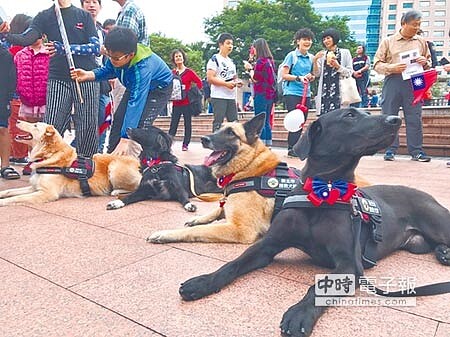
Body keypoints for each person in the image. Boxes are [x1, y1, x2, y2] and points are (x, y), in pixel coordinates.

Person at [0, 0, 101, 158]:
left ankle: (86, 165)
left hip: (85, 76)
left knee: (87, 124)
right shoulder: (44, 16)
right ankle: (47, 164)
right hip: (57, 77)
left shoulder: (84, 16)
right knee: (51, 124)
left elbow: (95, 48)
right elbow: (27, 38)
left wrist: (66, 49)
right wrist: (6, 34)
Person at [71, 27, 173, 156]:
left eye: (116, 58)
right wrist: (90, 74)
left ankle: (143, 164)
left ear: (130, 55)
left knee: (139, 128)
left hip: (158, 90)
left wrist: (125, 139)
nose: (112, 61)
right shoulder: (117, 56)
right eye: (109, 56)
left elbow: (136, 103)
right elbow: (109, 70)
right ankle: (112, 157)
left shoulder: (142, 68)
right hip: (134, 87)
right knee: (118, 119)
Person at [373, 10, 432, 162]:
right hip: (393, 80)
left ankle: (417, 151)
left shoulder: (421, 42)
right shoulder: (388, 41)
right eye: (413, 25)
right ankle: (390, 150)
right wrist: (392, 68)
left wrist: (425, 62)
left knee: (414, 117)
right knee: (389, 116)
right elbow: (377, 64)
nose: (416, 28)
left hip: (415, 81)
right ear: (403, 24)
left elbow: (429, 62)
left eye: (419, 25)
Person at [80, 0, 111, 153]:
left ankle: (98, 152)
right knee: (86, 119)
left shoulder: (103, 32)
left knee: (104, 115)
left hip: (102, 80)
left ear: (100, 7)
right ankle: (80, 150)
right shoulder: (76, 28)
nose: (91, 5)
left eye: (94, 2)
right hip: (83, 78)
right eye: (87, 2)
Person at [279, 28, 315, 157]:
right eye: (304, 39)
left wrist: (310, 76)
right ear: (298, 41)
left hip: (306, 93)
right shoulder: (291, 56)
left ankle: (296, 147)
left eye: (309, 40)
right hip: (292, 92)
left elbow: (313, 74)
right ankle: (291, 147)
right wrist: (298, 78)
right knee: (295, 119)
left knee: (302, 121)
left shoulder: (311, 57)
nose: (307, 42)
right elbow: (284, 75)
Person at [6, 14, 33, 166]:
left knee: (15, 124)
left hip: (15, 93)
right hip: (20, 93)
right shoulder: (19, 51)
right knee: (19, 125)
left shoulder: (10, 49)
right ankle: (18, 155)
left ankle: (16, 153)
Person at [313, 28, 353, 116]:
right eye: (324, 39)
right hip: (324, 92)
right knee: (324, 120)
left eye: (328, 38)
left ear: (334, 38)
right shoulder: (322, 55)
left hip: (340, 92)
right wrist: (315, 60)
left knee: (340, 120)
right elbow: (317, 74)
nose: (326, 41)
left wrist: (338, 66)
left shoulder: (345, 53)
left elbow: (349, 73)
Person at [207, 32, 243, 132]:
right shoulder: (215, 59)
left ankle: (234, 145)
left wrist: (237, 82)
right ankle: (216, 145)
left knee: (234, 123)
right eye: (228, 43)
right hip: (219, 96)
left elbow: (234, 77)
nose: (230, 46)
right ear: (221, 44)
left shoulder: (231, 62)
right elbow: (210, 78)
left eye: (231, 44)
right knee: (218, 122)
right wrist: (225, 84)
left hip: (231, 97)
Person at [244, 38, 276, 148]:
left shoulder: (261, 62)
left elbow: (256, 78)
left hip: (261, 94)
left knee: (259, 120)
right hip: (270, 95)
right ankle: (268, 143)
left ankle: (260, 144)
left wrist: (249, 69)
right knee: (266, 120)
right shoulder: (270, 61)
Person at [168, 48, 203, 151]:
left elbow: (199, 83)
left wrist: (192, 91)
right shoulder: (172, 73)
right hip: (176, 102)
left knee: (187, 124)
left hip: (187, 102)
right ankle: (168, 144)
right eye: (176, 56)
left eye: (180, 56)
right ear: (174, 59)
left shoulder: (189, 72)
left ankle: (185, 144)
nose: (178, 58)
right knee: (173, 124)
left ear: (183, 58)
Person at [0, 45, 20, 180]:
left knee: (2, 128)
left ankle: (5, 165)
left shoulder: (5, 55)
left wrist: (8, 97)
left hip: (2, 97)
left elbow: (12, 79)